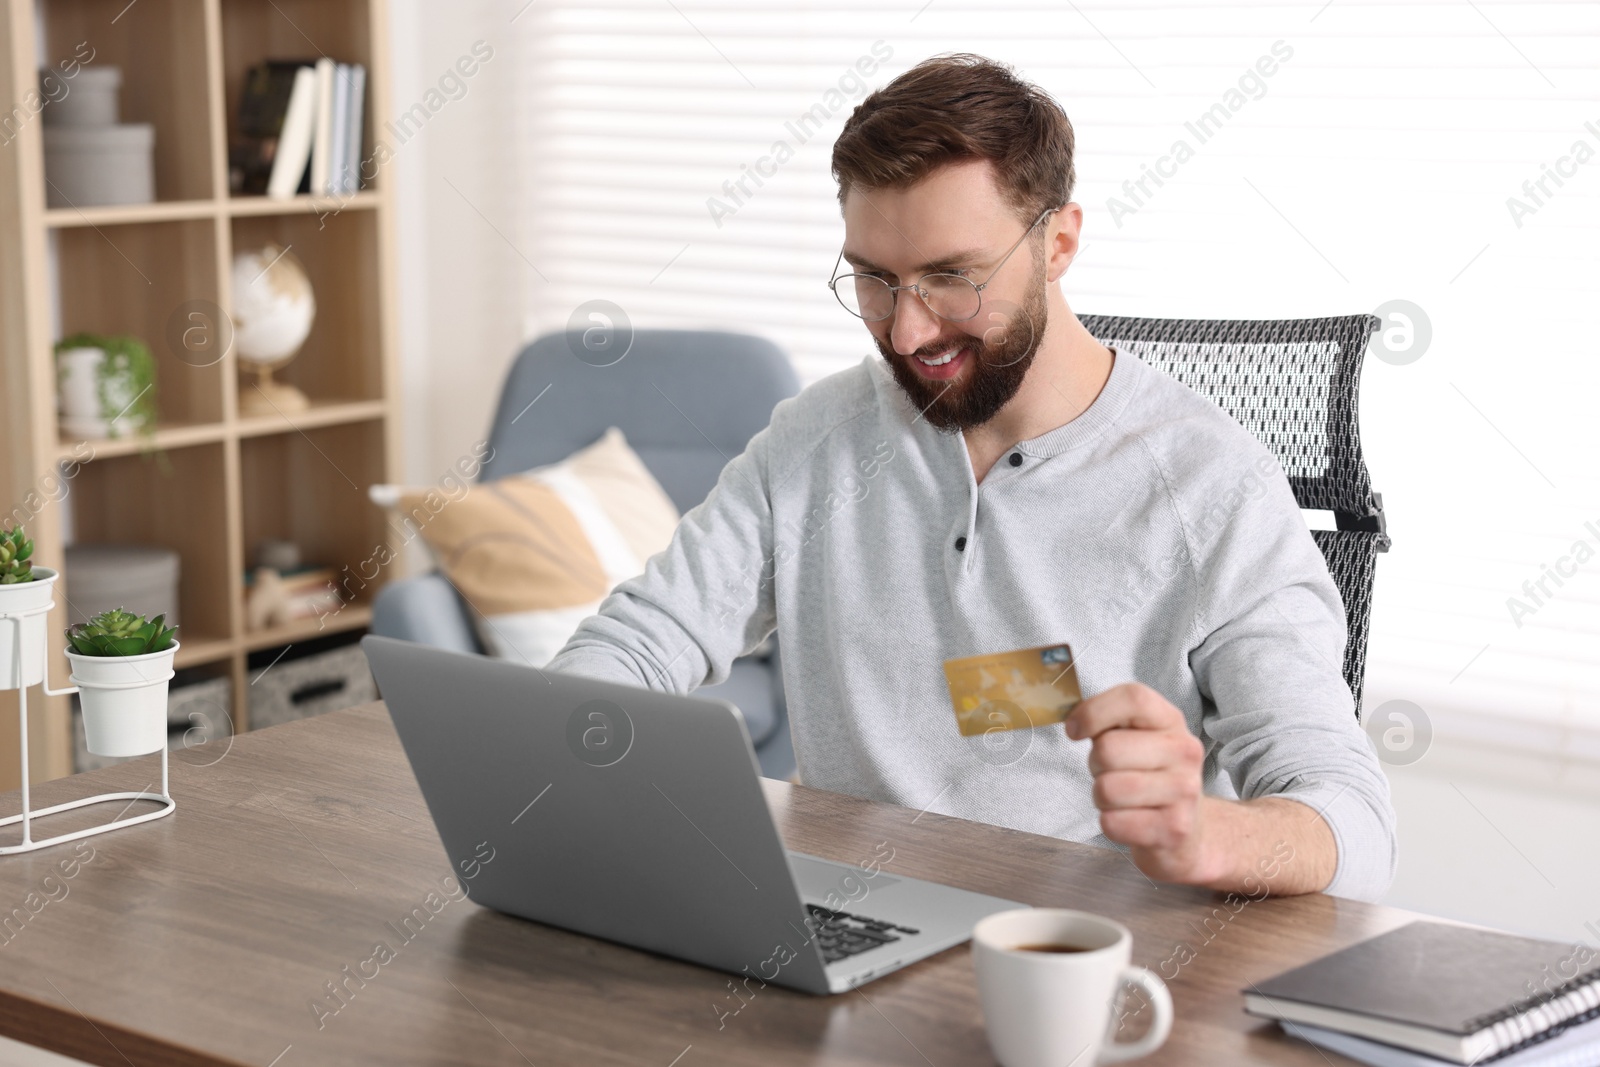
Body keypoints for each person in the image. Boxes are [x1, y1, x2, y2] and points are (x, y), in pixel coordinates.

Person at [546, 53, 1397, 902]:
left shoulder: (1213, 487)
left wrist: (1205, 833)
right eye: (875, 280)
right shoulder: (815, 440)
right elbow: (637, 643)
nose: (909, 331)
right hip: (841, 931)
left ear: (1058, 242)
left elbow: (1352, 827)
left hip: (1066, 965)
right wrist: (560, 749)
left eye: (952, 277)